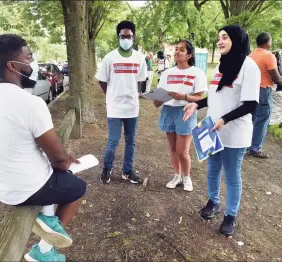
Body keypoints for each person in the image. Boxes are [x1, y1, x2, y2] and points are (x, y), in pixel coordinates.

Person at [0, 34, 87, 261]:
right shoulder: (30, 103)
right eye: (29, 58)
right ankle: (46, 247)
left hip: (1, 188)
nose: (33, 64)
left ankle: (47, 222)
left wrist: (58, 160)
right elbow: (60, 161)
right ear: (13, 65)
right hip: (26, 189)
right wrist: (65, 160)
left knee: (52, 172)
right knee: (77, 187)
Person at [183, 25, 261, 236]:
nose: (220, 41)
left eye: (225, 37)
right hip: (213, 130)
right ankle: (214, 202)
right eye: (218, 38)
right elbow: (215, 95)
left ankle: (230, 216)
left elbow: (250, 104)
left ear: (237, 39)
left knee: (232, 174)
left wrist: (225, 119)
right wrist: (196, 105)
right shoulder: (221, 66)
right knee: (213, 168)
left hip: (234, 133)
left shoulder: (249, 66)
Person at [95, 20, 147, 184]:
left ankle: (127, 171)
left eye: (129, 36)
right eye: (123, 36)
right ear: (118, 37)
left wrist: (134, 93)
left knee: (130, 141)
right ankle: (107, 169)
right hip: (114, 107)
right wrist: (110, 96)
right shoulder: (109, 57)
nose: (126, 39)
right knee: (113, 140)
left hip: (132, 107)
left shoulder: (139, 58)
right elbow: (102, 81)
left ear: (133, 37)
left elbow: (140, 80)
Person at [153, 40, 207, 192]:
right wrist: (158, 101)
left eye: (181, 50)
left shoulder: (197, 73)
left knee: (182, 151)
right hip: (168, 111)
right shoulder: (167, 73)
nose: (177, 52)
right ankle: (176, 175)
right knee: (172, 148)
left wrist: (183, 97)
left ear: (189, 55)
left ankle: (186, 176)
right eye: (176, 49)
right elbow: (162, 94)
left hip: (186, 111)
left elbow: (200, 98)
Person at [247, 32, 282, 158]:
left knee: (252, 118)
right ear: (267, 42)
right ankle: (255, 148)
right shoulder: (269, 56)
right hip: (263, 90)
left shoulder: (251, 55)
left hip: (250, 90)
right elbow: (275, 77)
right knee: (263, 118)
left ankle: (248, 144)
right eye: (270, 41)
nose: (271, 43)